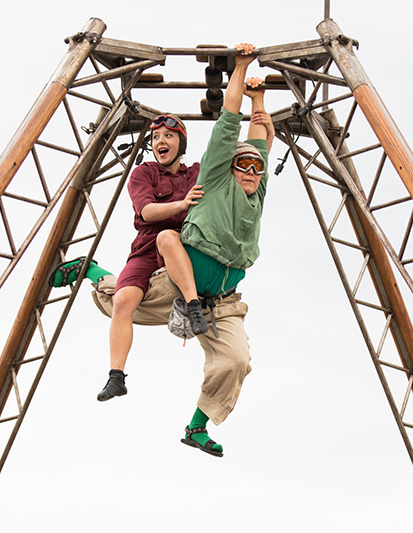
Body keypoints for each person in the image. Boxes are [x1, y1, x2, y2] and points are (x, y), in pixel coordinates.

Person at [152, 42, 272, 457]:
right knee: (123, 301)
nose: (252, 171)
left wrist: (261, 98)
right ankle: (87, 271)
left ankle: (196, 426)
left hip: (219, 302)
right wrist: (241, 68)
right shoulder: (219, 177)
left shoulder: (256, 192)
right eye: (245, 165)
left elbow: (260, 135)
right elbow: (232, 121)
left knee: (236, 361)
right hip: (181, 278)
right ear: (229, 166)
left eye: (257, 167)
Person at [49, 113, 204, 401]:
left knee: (176, 270)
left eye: (168, 136)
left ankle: (194, 306)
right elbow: (146, 212)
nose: (160, 141)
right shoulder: (143, 174)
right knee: (121, 300)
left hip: (186, 245)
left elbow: (233, 159)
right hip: (147, 246)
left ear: (181, 144)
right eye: (156, 137)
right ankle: (116, 376)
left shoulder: (196, 173)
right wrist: (182, 203)